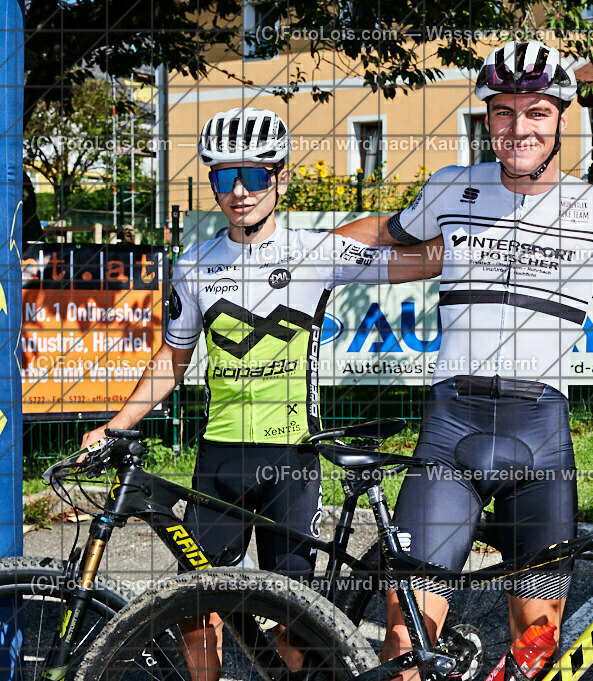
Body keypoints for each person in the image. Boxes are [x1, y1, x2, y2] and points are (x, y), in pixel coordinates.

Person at [339, 40, 593, 678]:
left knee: (536, 645)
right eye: (503, 111)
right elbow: (385, 234)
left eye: (536, 111)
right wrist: (295, 254)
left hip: (541, 439)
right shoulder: (453, 186)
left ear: (562, 118)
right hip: (451, 431)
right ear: (488, 118)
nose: (518, 127)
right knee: (405, 637)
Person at [81, 107, 437, 680]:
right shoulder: (195, 263)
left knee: (292, 619)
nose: (239, 191)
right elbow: (173, 357)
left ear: (281, 179)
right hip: (220, 458)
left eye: (254, 175)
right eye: (225, 177)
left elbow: (421, 263)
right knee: (195, 605)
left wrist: (470, 228)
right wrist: (117, 424)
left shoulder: (317, 252)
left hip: (292, 457)